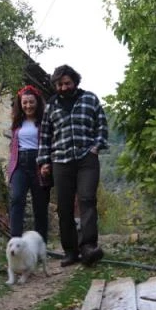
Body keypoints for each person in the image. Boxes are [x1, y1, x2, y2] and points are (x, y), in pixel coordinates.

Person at [37, 65, 109, 267]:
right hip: (61, 161)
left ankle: (88, 248)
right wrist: (44, 161)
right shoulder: (51, 106)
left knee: (87, 199)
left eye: (67, 83)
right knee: (65, 206)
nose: (63, 87)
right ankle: (70, 251)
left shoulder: (90, 99)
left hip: (87, 159)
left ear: (75, 82)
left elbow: (101, 126)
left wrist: (96, 147)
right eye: (59, 84)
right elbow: (45, 136)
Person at [6, 84, 50, 243]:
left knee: (40, 206)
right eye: (25, 102)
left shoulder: (44, 121)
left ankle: (40, 244)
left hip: (39, 164)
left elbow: (50, 143)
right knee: (17, 199)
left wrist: (48, 163)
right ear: (20, 103)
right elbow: (13, 145)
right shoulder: (17, 122)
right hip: (19, 164)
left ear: (37, 102)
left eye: (31, 102)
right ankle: (15, 242)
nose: (28, 106)